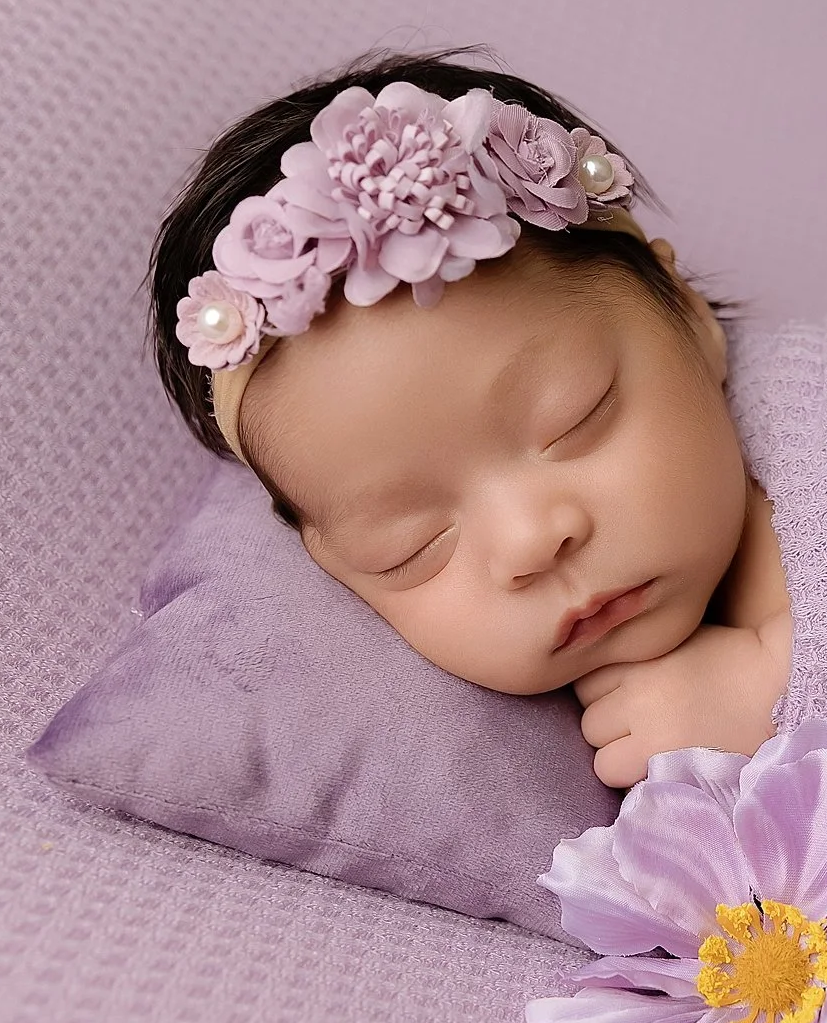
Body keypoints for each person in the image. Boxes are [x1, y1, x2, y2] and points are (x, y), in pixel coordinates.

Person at [150, 48, 789, 790]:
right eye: (412, 545)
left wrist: (776, 691)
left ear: (687, 313)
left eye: (574, 419)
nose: (533, 541)